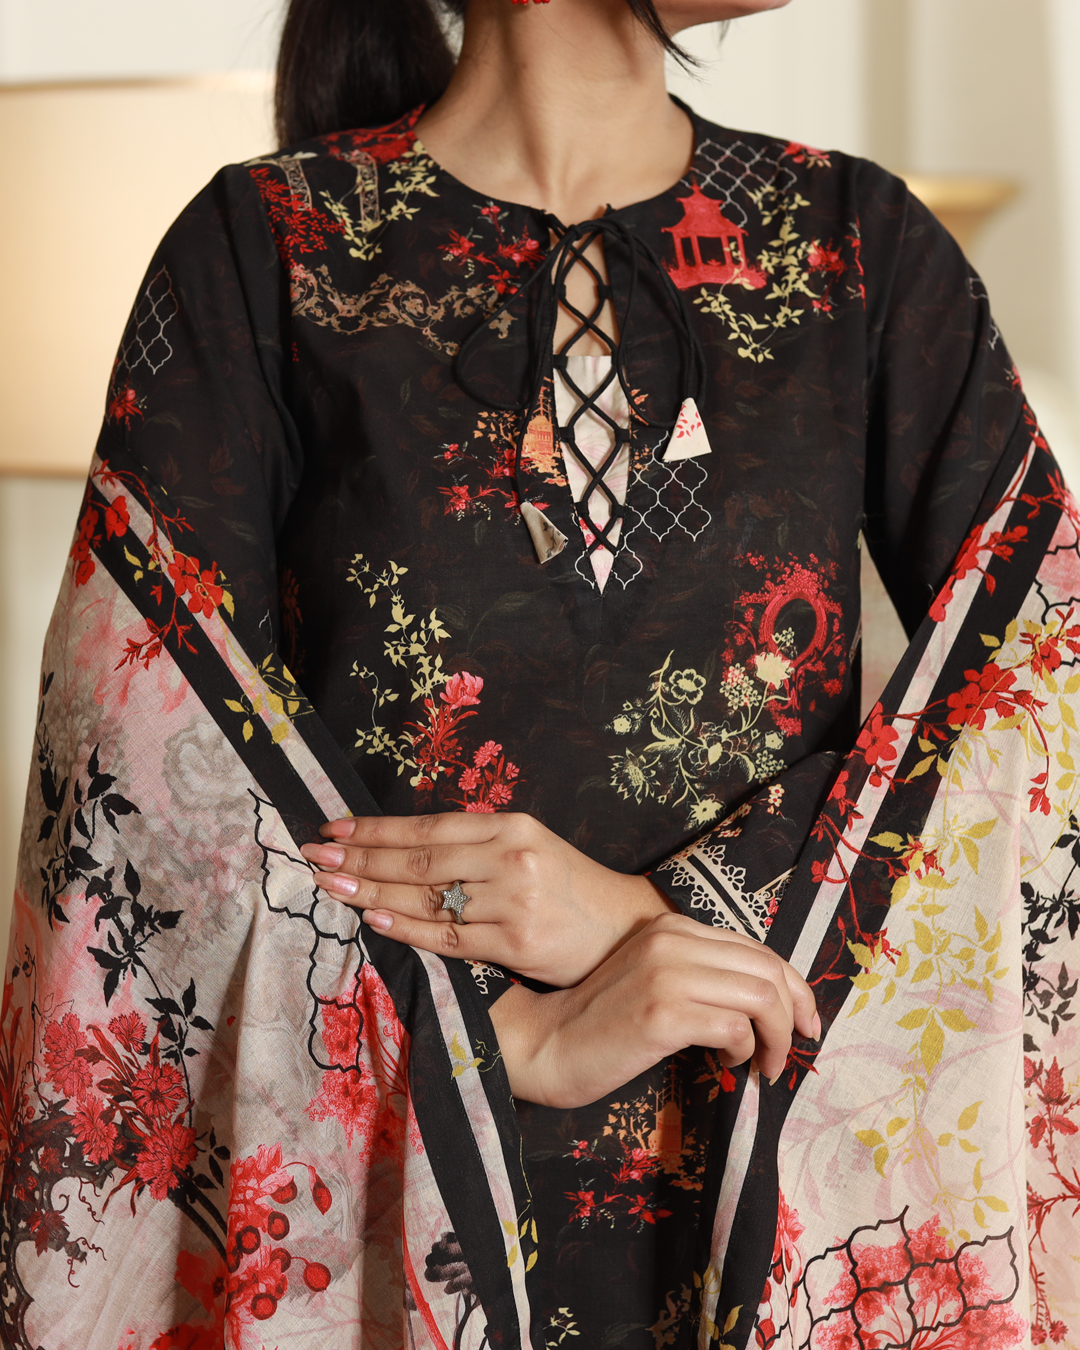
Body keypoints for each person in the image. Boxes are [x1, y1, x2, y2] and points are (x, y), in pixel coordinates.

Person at [2, 0, 1077, 1345]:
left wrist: (652, 913)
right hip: (394, 1215)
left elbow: (1050, 679)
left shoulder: (854, 248)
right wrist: (507, 1041)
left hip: (770, 1197)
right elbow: (140, 796)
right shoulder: (264, 250)